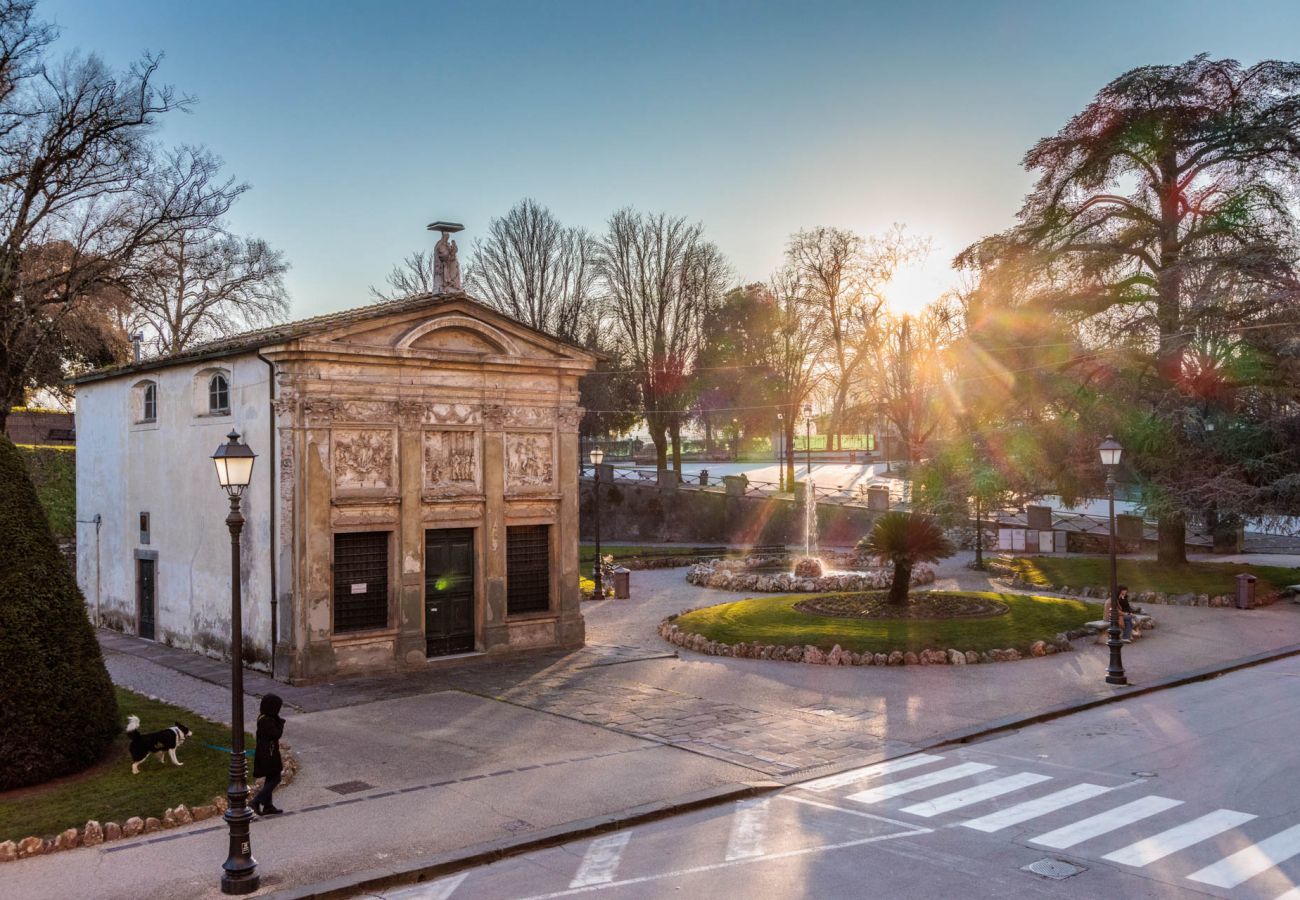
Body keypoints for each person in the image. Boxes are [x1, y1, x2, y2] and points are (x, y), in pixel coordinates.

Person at [251, 693, 285, 816]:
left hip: (267, 752)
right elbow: (276, 734)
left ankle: (268, 805)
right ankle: (256, 801)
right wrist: (280, 723)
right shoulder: (266, 721)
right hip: (268, 754)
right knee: (276, 778)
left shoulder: (264, 717)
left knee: (270, 777)